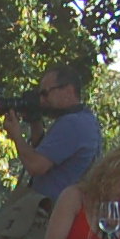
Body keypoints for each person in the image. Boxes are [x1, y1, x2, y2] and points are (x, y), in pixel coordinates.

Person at [17, 64, 104, 200]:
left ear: (69, 91)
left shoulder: (72, 124)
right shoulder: (85, 119)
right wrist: (35, 120)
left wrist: (15, 134)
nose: (42, 100)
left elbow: (35, 165)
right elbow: (43, 152)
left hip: (53, 212)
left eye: (45, 93)